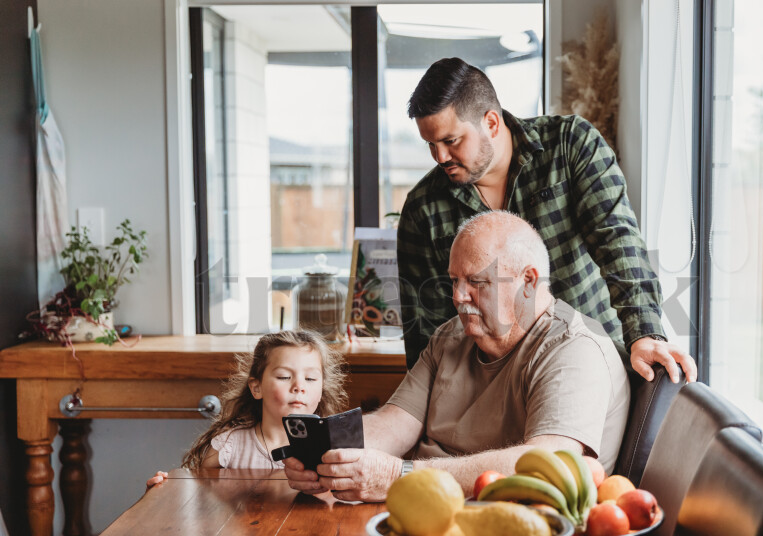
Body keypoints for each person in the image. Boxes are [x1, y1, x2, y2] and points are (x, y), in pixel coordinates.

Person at [285, 212, 630, 502]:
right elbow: (394, 424)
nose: (458, 296)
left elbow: (546, 461)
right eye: (454, 280)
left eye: (477, 282)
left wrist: (396, 475)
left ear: (528, 280)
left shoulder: (573, 349)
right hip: (423, 508)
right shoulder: (451, 335)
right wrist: (328, 456)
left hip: (504, 529)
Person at [397, 57, 697, 384]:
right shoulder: (422, 209)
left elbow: (620, 246)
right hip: (494, 390)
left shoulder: (570, 145)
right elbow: (426, 332)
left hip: (596, 369)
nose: (440, 157)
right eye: (431, 144)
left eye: (451, 141)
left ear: (492, 123)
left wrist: (645, 334)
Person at [147, 330, 348, 488]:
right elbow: (197, 495)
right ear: (257, 388)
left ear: (322, 389)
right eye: (284, 377)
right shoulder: (229, 446)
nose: (299, 386)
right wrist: (165, 488)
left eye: (311, 378)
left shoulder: (333, 448)